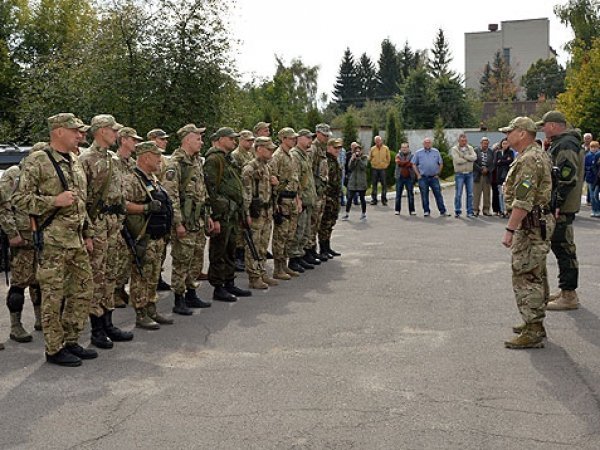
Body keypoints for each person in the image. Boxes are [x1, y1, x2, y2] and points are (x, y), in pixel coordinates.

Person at [13, 113, 98, 366]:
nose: (80, 135)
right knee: (53, 296)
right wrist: (54, 201)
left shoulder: (75, 160)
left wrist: (88, 233)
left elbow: (81, 203)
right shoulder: (38, 160)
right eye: (75, 131)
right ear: (59, 131)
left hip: (76, 240)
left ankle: (71, 340)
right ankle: (54, 348)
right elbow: (19, 200)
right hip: (53, 242)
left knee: (83, 290)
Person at [79, 114, 134, 349]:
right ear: (101, 131)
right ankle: (97, 329)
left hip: (113, 225)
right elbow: (81, 200)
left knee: (110, 275)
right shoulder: (85, 159)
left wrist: (120, 221)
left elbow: (120, 194)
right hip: (97, 224)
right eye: (113, 130)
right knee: (97, 278)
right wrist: (87, 233)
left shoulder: (113, 159)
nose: (116, 134)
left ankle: (108, 322)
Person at [500, 116, 555, 349]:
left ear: (522, 133)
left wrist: (509, 229)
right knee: (535, 272)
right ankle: (533, 323)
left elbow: (523, 200)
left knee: (526, 274)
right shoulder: (533, 154)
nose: (506, 135)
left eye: (510, 131)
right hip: (536, 222)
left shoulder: (529, 159)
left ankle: (533, 329)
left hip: (531, 225)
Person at [0, 142, 51, 343]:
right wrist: (12, 233)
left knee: (39, 281)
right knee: (20, 283)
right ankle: (16, 325)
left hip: (40, 237)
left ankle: (40, 319)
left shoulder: (42, 176)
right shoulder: (15, 174)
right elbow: (3, 206)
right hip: (22, 238)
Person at [163, 124, 213, 315]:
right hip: (184, 220)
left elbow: (202, 191)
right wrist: (178, 223)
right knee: (182, 260)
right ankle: (179, 298)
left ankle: (191, 293)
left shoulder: (196, 161)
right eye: (198, 139)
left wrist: (207, 215)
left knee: (196, 258)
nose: (201, 142)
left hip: (197, 219)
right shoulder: (176, 164)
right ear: (187, 139)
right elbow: (171, 196)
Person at [124, 141, 174, 330]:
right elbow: (123, 204)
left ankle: (151, 308)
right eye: (156, 155)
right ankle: (140, 313)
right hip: (144, 237)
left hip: (157, 236)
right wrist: (145, 208)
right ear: (145, 157)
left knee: (153, 276)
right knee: (141, 277)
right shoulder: (132, 179)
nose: (160, 159)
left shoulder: (151, 178)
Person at [537, 111, 585, 310]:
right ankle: (566, 290)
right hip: (562, 205)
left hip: (562, 207)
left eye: (544, 125)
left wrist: (556, 203)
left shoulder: (566, 144)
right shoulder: (562, 142)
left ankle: (569, 295)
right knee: (562, 248)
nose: (543, 129)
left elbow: (566, 177)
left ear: (554, 125)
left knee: (564, 249)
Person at [204, 127, 252, 302]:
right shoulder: (213, 160)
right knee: (219, 251)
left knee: (230, 249)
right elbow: (211, 190)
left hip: (232, 213)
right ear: (221, 139)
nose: (234, 141)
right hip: (222, 214)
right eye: (231, 138)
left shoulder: (228, 159)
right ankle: (218, 287)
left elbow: (236, 186)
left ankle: (229, 282)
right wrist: (215, 217)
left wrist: (242, 212)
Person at [241, 137, 279, 289]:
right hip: (255, 213)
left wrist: (275, 184)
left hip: (266, 211)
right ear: (259, 149)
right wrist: (246, 215)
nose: (271, 152)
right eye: (268, 149)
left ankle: (262, 272)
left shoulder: (267, 167)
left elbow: (269, 190)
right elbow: (246, 194)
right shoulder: (249, 169)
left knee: (263, 245)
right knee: (253, 246)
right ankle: (254, 276)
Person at [112, 127, 143, 308]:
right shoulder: (114, 161)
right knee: (119, 255)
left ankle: (121, 287)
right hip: (117, 214)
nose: (136, 143)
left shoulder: (132, 164)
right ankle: (115, 290)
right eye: (133, 139)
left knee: (129, 254)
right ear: (123, 140)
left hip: (131, 214)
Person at [270, 128, 305, 272]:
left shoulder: (290, 155)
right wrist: (275, 203)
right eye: (291, 138)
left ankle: (284, 265)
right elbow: (272, 180)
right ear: (283, 139)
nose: (294, 140)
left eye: (295, 138)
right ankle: (278, 268)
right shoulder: (277, 156)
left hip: (292, 199)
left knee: (290, 235)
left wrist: (298, 199)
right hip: (282, 200)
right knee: (281, 235)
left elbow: (294, 180)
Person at [288, 129, 317, 274]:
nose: (310, 141)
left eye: (311, 138)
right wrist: (298, 199)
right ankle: (294, 259)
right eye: (307, 138)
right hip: (301, 199)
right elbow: (295, 180)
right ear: (299, 138)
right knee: (298, 231)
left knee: (305, 231)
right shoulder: (295, 155)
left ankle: (301, 256)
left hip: (308, 199)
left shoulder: (305, 155)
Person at [147, 128, 172, 292]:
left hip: (165, 208)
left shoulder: (165, 160)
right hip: (155, 208)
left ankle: (158, 276)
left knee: (162, 247)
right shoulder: (149, 159)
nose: (165, 141)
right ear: (152, 139)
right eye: (162, 139)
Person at [230, 130, 256, 272]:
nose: (250, 143)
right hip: (241, 194)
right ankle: (237, 257)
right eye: (248, 140)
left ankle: (244, 255)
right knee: (240, 228)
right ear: (241, 140)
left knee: (246, 226)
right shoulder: (236, 155)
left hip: (250, 193)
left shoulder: (250, 154)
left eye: (252, 140)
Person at [307, 123, 330, 266]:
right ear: (318, 133)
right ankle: (308, 251)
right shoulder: (313, 148)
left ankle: (313, 249)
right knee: (312, 223)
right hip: (314, 191)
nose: (327, 137)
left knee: (317, 223)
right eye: (324, 135)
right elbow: (308, 171)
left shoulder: (321, 148)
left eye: (328, 135)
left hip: (321, 191)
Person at [412, 137, 449, 217]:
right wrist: (418, 175)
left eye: (429, 142)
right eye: (426, 142)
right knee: (424, 195)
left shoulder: (436, 152)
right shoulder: (418, 153)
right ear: (423, 144)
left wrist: (438, 174)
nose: (427, 144)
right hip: (423, 177)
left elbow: (441, 163)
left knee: (438, 194)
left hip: (434, 177)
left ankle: (443, 211)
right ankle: (426, 211)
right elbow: (413, 164)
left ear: (431, 144)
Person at [318, 138, 343, 259]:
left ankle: (327, 247)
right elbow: (324, 179)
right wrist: (326, 195)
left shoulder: (334, 160)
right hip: (328, 196)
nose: (337, 150)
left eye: (339, 148)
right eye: (335, 147)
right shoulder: (326, 161)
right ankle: (323, 249)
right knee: (325, 223)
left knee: (331, 222)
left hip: (335, 196)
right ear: (328, 147)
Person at [450, 134, 477, 218]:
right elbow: (457, 160)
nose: (464, 142)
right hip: (460, 174)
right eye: (462, 141)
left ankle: (469, 212)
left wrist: (464, 156)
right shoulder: (454, 149)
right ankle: (457, 211)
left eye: (465, 141)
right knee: (458, 193)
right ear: (458, 141)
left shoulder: (470, 148)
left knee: (470, 194)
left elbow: (474, 158)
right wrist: (468, 159)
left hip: (469, 173)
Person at [342, 142, 368, 221]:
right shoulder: (352, 157)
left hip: (361, 181)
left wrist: (359, 159)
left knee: (362, 198)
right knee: (349, 198)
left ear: (361, 151)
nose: (357, 152)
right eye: (356, 151)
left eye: (359, 151)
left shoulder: (364, 158)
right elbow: (350, 167)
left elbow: (364, 167)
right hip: (353, 181)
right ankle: (346, 214)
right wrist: (353, 160)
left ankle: (363, 214)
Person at [473, 137, 495, 217]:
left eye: (487, 143)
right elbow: (473, 162)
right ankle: (475, 210)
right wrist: (480, 169)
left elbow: (493, 163)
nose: (485, 145)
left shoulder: (491, 152)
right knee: (476, 193)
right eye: (484, 143)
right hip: (478, 175)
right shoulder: (476, 150)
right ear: (481, 143)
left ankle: (486, 210)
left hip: (487, 175)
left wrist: (488, 169)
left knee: (487, 194)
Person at [494, 138, 516, 217]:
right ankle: (501, 210)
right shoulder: (497, 152)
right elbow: (496, 162)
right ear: (501, 144)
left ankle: (507, 210)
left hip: (507, 176)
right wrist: (505, 160)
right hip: (499, 176)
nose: (505, 145)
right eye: (503, 143)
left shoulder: (511, 152)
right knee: (500, 194)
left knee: (508, 194)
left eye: (506, 143)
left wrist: (501, 161)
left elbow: (511, 161)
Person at [394, 142, 416, 216]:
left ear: (408, 148)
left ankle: (412, 210)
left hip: (409, 177)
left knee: (410, 194)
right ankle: (397, 210)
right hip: (399, 177)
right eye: (403, 147)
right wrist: (406, 163)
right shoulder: (398, 155)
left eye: (405, 147)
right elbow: (398, 162)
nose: (404, 149)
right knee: (398, 194)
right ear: (400, 148)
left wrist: (403, 163)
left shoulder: (412, 155)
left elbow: (411, 164)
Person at [368, 136, 391, 206]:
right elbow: (369, 158)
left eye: (379, 141)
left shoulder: (386, 148)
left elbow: (388, 158)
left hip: (383, 169)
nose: (378, 142)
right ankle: (374, 200)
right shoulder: (372, 149)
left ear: (381, 141)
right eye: (376, 141)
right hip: (374, 169)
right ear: (375, 142)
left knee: (384, 184)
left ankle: (384, 200)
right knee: (374, 184)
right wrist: (372, 164)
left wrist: (386, 165)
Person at [584, 137, 599, 214]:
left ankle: (597, 209)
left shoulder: (598, 155)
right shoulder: (587, 155)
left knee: (595, 195)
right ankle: (594, 210)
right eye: (592, 147)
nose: (593, 148)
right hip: (590, 177)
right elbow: (585, 166)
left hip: (597, 178)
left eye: (595, 147)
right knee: (592, 196)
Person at [590, 141, 600, 217]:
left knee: (595, 195)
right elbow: (593, 166)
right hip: (597, 179)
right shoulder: (597, 155)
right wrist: (597, 174)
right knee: (594, 195)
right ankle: (596, 209)